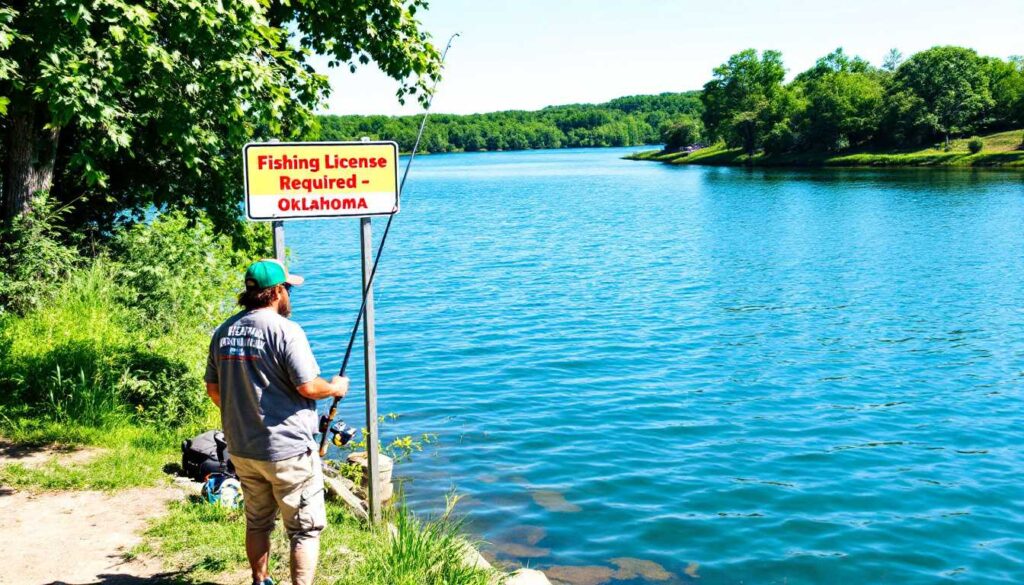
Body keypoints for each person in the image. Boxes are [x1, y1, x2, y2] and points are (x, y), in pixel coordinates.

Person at [205, 258, 348, 585]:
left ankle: (261, 580)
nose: (289, 297)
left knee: (257, 522)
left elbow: (215, 390)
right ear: (277, 292)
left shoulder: (224, 331)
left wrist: (244, 414)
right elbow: (308, 387)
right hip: (288, 452)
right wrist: (335, 387)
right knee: (304, 529)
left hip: (242, 447)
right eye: (287, 289)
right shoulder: (286, 331)